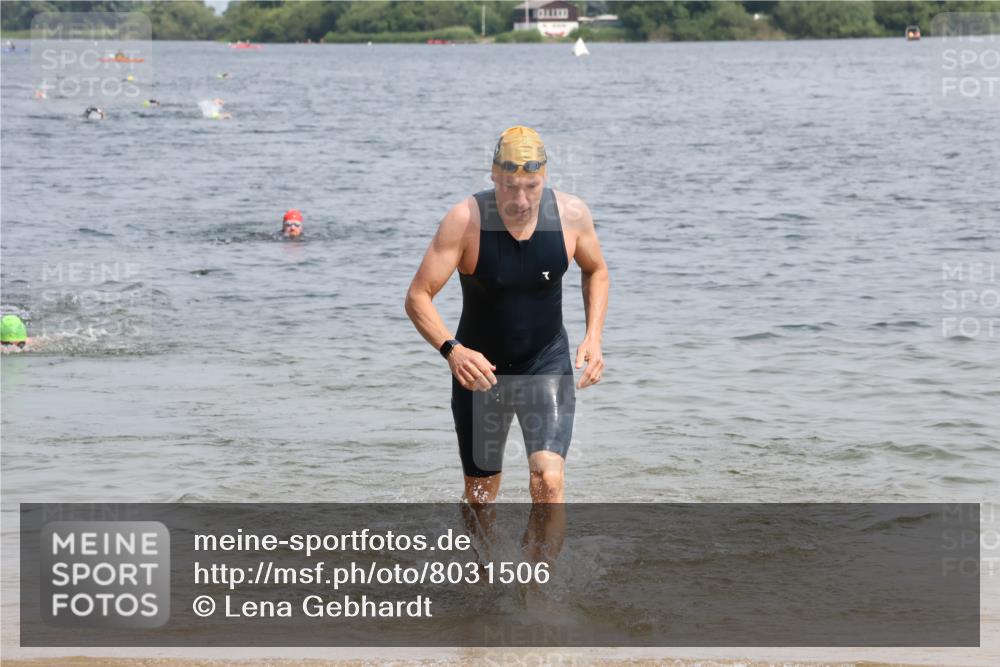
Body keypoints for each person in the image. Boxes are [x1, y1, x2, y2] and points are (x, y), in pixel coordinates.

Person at [405, 126, 609, 505]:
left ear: (544, 177)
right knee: (481, 498)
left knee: (549, 482)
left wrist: (594, 336)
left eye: (531, 186)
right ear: (494, 176)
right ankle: (483, 567)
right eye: (509, 186)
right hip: (480, 372)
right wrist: (453, 350)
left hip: (545, 361)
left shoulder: (571, 215)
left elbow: (596, 270)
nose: (520, 198)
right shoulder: (465, 220)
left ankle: (540, 567)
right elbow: (418, 296)